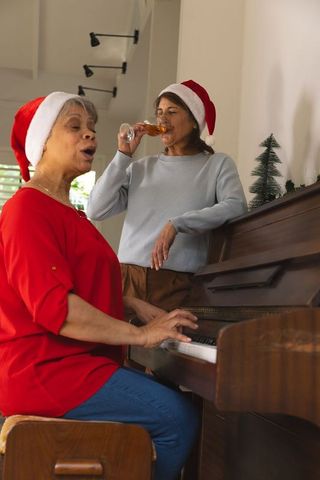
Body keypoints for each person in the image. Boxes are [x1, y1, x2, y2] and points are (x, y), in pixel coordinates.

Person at [0, 92, 200, 480]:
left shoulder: (68, 211)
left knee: (168, 405)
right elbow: (56, 308)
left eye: (91, 129)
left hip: (73, 364)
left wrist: (131, 304)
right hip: (44, 370)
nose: (89, 136)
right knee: (178, 417)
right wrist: (142, 336)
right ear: (41, 142)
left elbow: (75, 283)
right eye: (74, 128)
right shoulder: (27, 210)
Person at [87, 80, 247, 315]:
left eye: (172, 112)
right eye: (159, 113)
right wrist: (123, 155)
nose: (162, 120)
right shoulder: (140, 168)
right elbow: (96, 209)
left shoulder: (217, 164)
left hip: (178, 286)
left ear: (194, 121)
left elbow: (236, 207)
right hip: (126, 280)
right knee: (114, 352)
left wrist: (178, 223)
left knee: (169, 352)